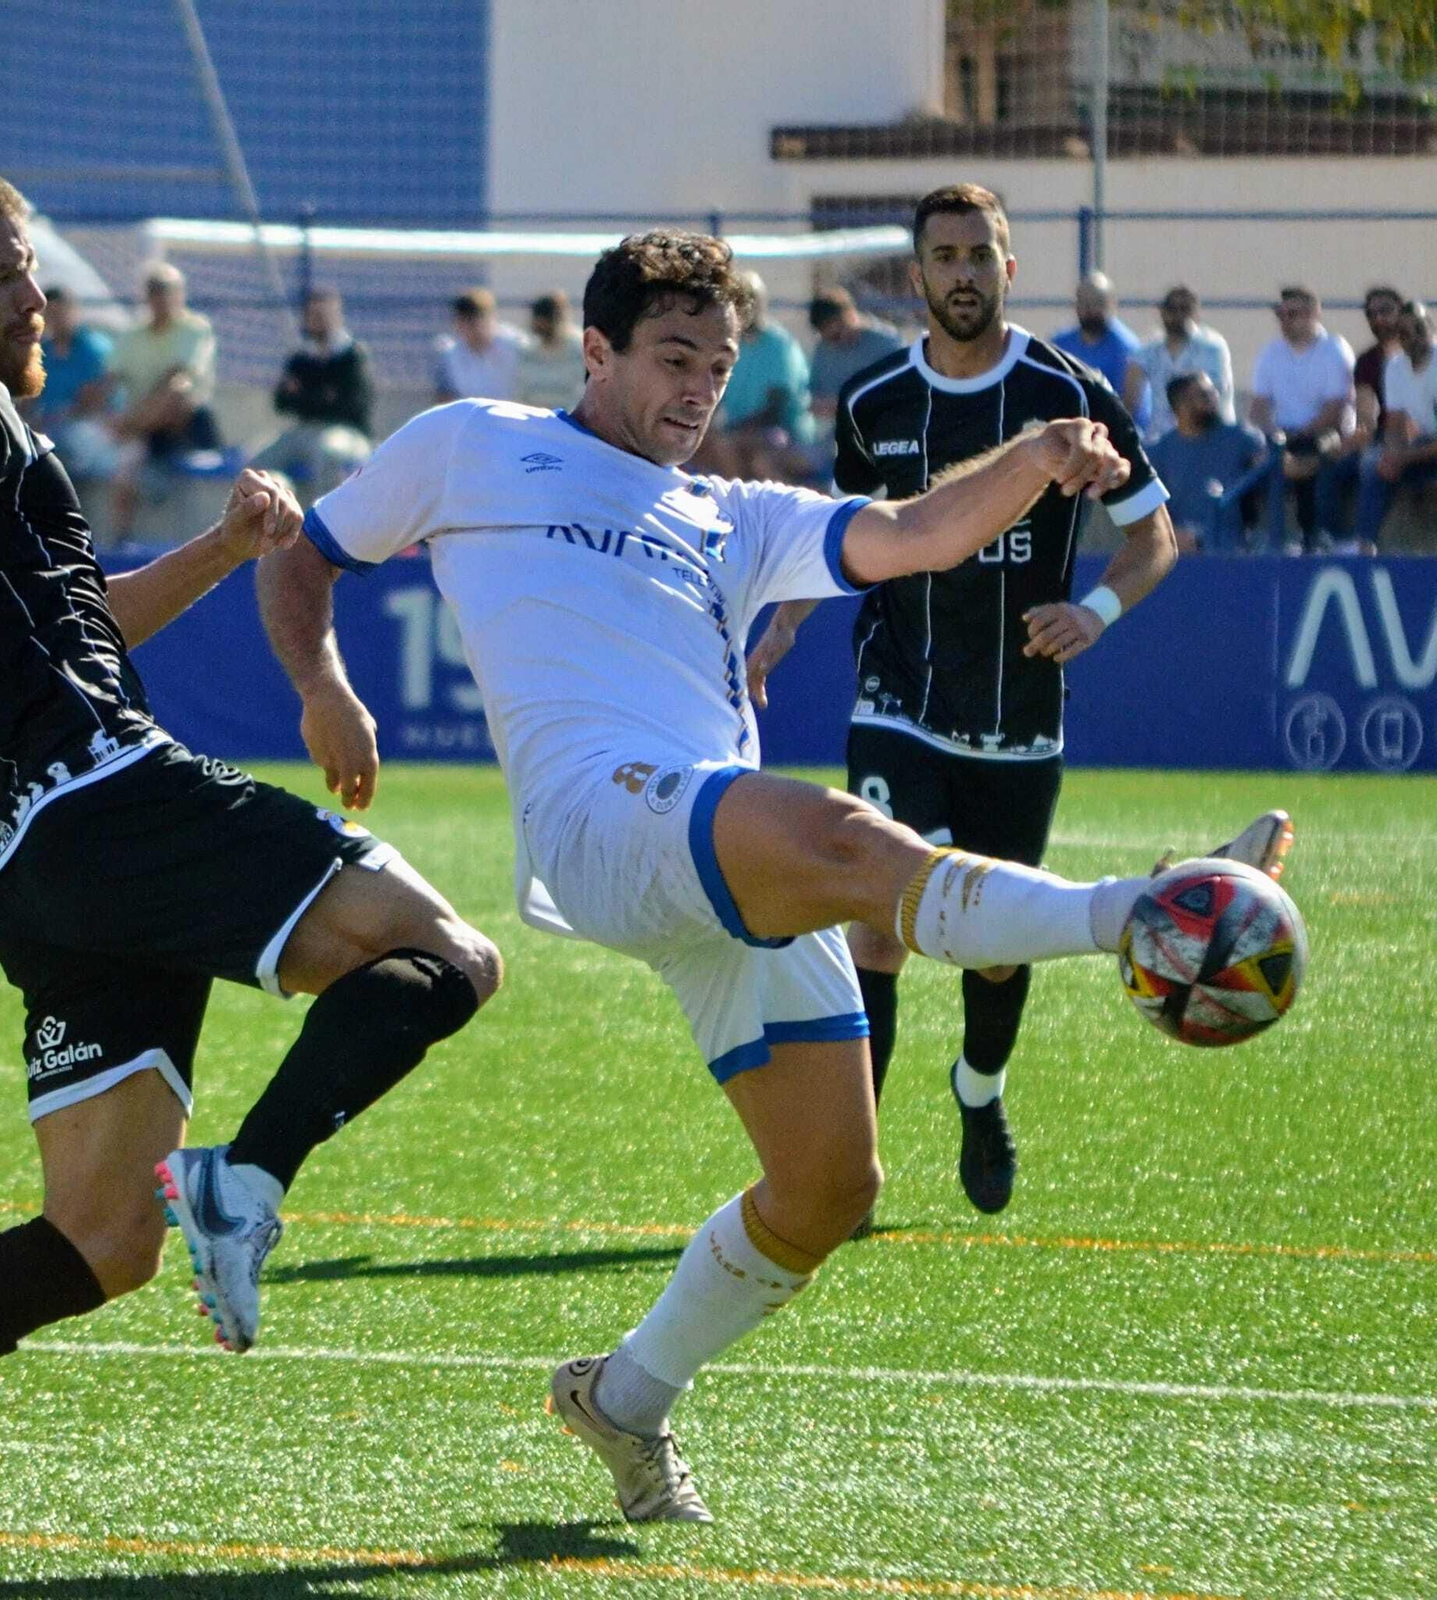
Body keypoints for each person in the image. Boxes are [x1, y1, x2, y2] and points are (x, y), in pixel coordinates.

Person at [256, 228, 1289, 1522]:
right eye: (674, 358)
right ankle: (1144, 910)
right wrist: (322, 688)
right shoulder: (473, 442)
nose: (700, 391)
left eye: (720, 367)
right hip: (604, 821)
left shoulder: (728, 512)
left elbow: (913, 533)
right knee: (856, 845)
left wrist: (1034, 456)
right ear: (595, 350)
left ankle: (622, 1401)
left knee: (829, 1187)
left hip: (712, 853)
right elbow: (305, 554)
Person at [0, 170, 499, 1412]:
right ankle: (240, 1182)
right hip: (106, 798)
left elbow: (75, 620)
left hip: (17, 869)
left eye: (33, 269)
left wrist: (222, 547)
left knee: (97, 1242)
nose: (38, 300)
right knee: (445, 952)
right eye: (5, 278)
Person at [747, 182, 1179, 1225]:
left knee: (991, 951)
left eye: (979, 254)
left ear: (1008, 268)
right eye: (943, 256)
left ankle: (977, 1095)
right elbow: (834, 541)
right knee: (883, 916)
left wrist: (1096, 613)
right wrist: (780, 628)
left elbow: (1153, 536)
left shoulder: (1070, 393)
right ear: (915, 277)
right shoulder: (872, 404)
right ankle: (845, 1175)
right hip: (898, 694)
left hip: (1018, 718)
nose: (962, 274)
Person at [106, 262, 221, 541]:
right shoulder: (132, 335)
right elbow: (109, 381)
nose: (162, 297)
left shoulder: (195, 329)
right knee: (124, 473)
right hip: (147, 433)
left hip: (187, 427)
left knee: (177, 393)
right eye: (155, 290)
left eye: (167, 290)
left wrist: (131, 424)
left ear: (180, 293)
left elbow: (177, 379)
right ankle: (121, 542)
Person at [1249, 286, 1355, 555]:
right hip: (1282, 435)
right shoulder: (1271, 353)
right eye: (1280, 313)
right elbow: (1259, 408)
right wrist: (1273, 434)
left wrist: (1294, 437)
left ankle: (1317, 535)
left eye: (1292, 313)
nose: (1284, 320)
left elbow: (1335, 409)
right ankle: (1249, 535)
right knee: (1244, 455)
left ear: (1313, 314)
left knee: (1316, 454)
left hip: (1325, 432)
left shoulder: (1334, 349)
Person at [694, 270, 818, 481]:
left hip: (783, 435)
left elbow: (775, 409)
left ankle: (747, 510)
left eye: (751, 300)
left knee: (749, 457)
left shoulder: (779, 344)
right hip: (739, 432)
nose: (746, 307)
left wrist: (733, 431)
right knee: (695, 447)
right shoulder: (729, 346)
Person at [252, 286, 374, 495]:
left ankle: (323, 524)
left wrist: (304, 396)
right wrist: (321, 397)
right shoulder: (302, 357)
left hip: (346, 431)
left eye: (323, 315)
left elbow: (351, 404)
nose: (318, 321)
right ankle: (274, 518)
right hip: (305, 430)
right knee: (256, 465)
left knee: (330, 454)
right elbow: (282, 402)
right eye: (313, 315)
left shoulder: (352, 356)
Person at [1320, 285, 1405, 550]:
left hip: (1418, 435)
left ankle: (1365, 544)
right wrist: (1345, 444)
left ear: (1402, 313)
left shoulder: (1424, 355)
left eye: (1386, 311)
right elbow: (1367, 418)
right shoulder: (1368, 362)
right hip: (1383, 436)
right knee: (1330, 465)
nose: (1378, 318)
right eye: (1372, 313)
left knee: (1371, 464)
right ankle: (1328, 541)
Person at [1150, 373, 1274, 552]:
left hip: (1232, 543)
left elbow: (1270, 466)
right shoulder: (1159, 451)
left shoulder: (1241, 438)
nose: (1214, 399)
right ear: (1181, 406)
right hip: (1178, 547)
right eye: (1204, 395)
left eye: (1213, 392)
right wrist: (1171, 534)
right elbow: (1148, 508)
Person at [1351, 300, 1437, 551]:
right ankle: (1365, 545)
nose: (1417, 337)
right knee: (1373, 462)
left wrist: (1405, 456)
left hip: (1426, 449)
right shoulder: (1395, 368)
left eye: (1421, 328)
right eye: (1409, 332)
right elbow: (1395, 423)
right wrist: (1394, 454)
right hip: (1422, 447)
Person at [26, 283, 117, 483]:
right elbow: (29, 399)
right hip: (48, 425)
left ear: (74, 311)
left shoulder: (94, 349)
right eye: (51, 314)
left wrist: (53, 421)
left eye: (62, 312)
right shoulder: (43, 352)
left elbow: (91, 401)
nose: (57, 320)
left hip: (88, 424)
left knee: (76, 441)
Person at [808, 288, 904, 475]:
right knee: (768, 462)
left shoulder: (886, 343)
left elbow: (900, 394)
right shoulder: (823, 351)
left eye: (836, 334)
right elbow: (813, 399)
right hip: (833, 439)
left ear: (850, 315)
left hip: (881, 437)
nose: (835, 342)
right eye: (828, 338)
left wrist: (850, 403)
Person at [1124, 285, 1235, 443]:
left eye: (1185, 309)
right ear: (1162, 312)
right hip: (1162, 440)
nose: (1178, 315)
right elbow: (1130, 400)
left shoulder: (1211, 347)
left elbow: (1214, 396)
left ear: (1195, 313)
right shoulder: (1149, 351)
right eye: (1172, 309)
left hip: (1209, 437)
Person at [1051, 271, 1152, 431]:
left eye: (1098, 303)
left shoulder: (1126, 347)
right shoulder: (1060, 343)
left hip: (1119, 433)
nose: (1090, 310)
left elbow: (1127, 407)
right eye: (1084, 303)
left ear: (1112, 305)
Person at [433, 287, 528, 402]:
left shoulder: (517, 346)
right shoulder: (450, 354)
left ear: (491, 319)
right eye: (464, 322)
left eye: (476, 321)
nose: (473, 328)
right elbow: (445, 397)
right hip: (472, 417)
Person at [515, 290, 586, 411]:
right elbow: (522, 392)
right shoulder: (529, 351)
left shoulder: (579, 348)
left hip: (570, 420)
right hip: (536, 421)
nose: (541, 326)